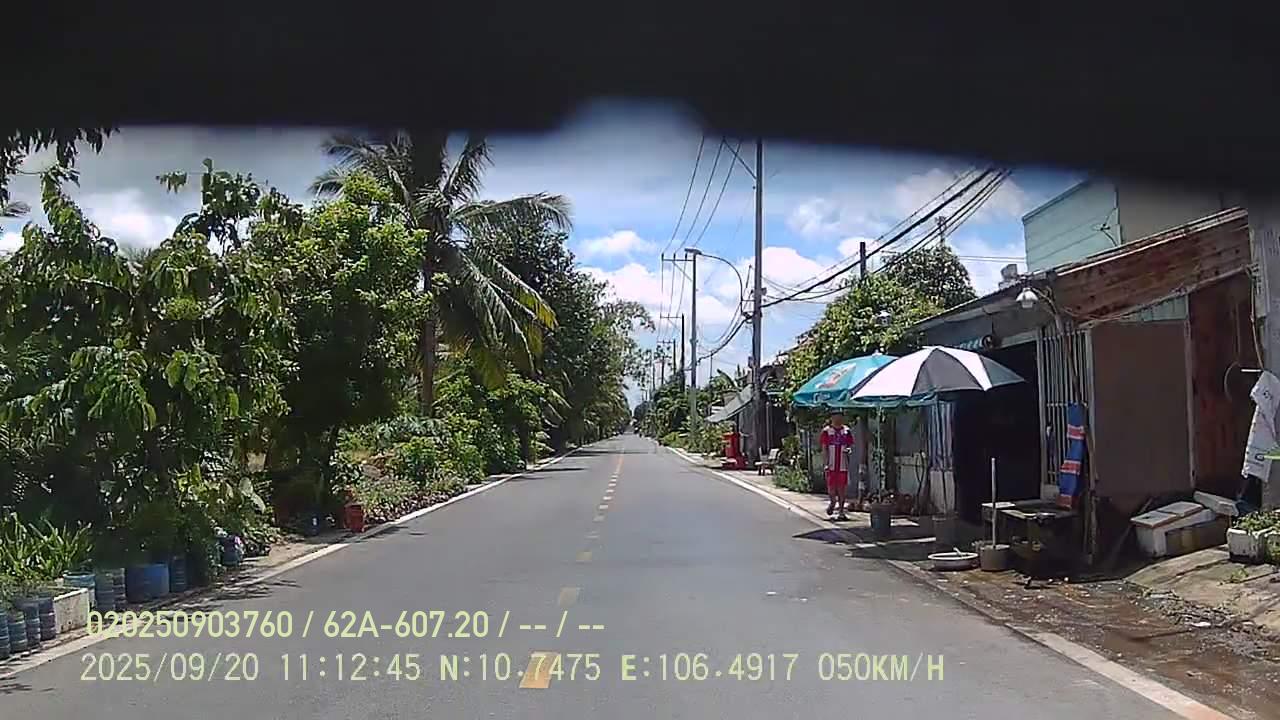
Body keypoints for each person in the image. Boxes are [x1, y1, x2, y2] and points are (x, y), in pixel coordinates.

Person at [820, 410, 855, 520]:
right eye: (835, 417)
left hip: (842, 464)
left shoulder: (846, 431)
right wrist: (825, 463)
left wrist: (848, 450)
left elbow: (850, 445)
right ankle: (832, 502)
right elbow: (824, 448)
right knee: (831, 488)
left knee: (842, 489)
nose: (838, 419)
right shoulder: (827, 431)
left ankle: (841, 511)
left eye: (840, 417)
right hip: (831, 464)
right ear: (831, 418)